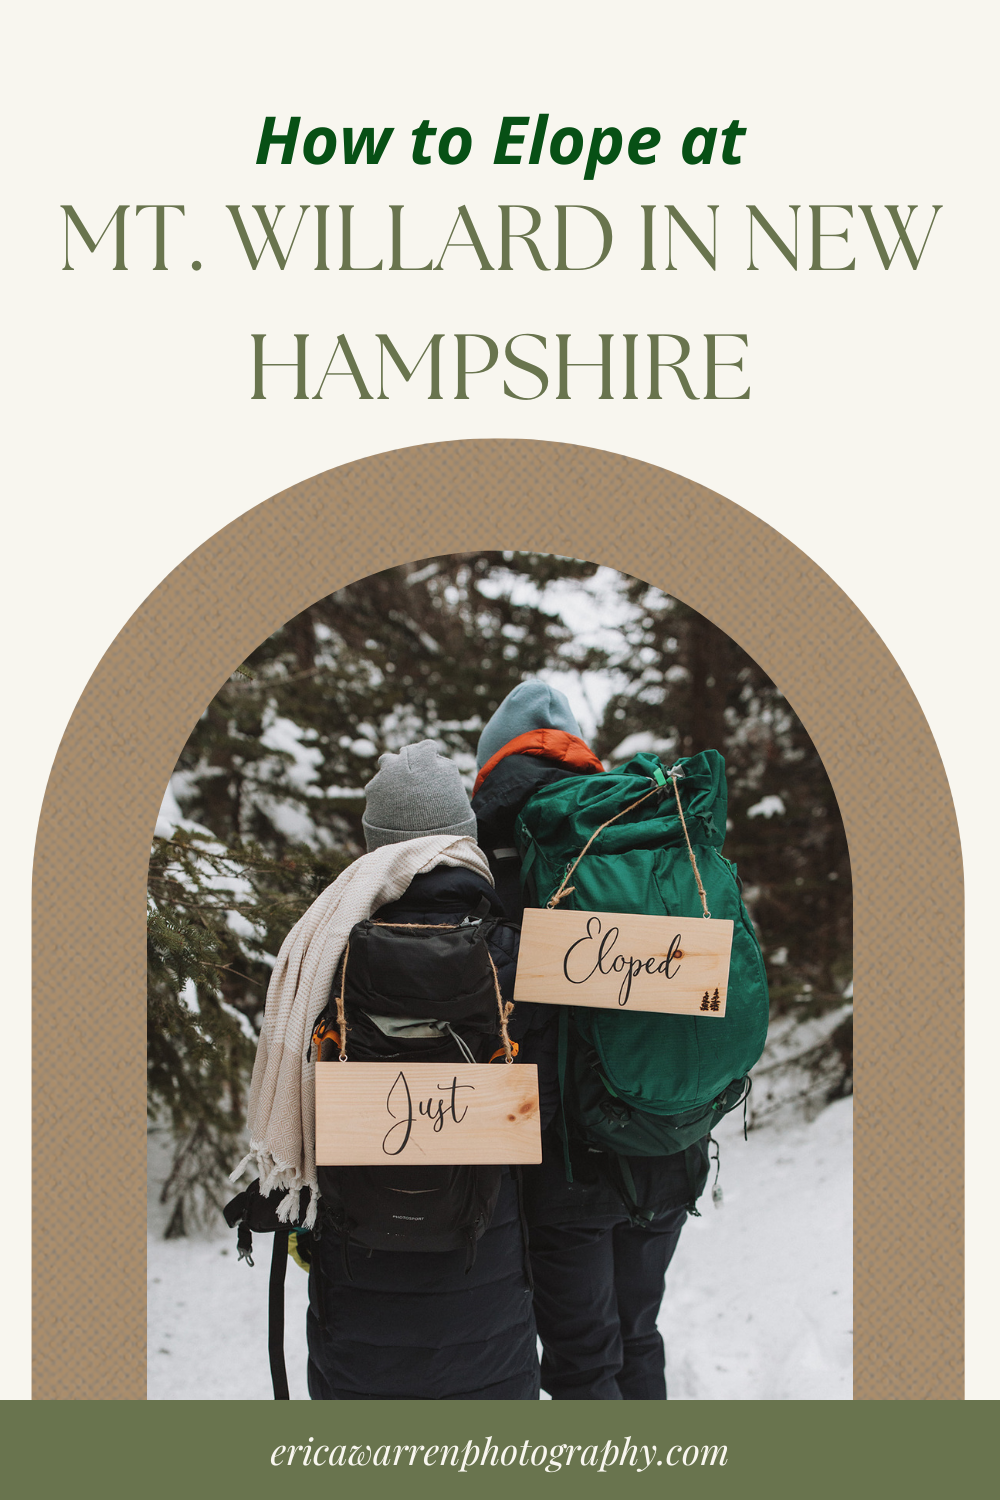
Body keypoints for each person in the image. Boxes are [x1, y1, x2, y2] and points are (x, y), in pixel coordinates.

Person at [239, 740, 540, 1400]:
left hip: (358, 1273)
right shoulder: (515, 953)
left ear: (375, 846)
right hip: (483, 1273)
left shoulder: (326, 950)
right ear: (463, 838)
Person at [471, 682, 710, 1400]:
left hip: (563, 1154)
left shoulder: (489, 840)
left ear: (490, 763)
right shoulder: (635, 831)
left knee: (581, 1359)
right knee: (639, 1333)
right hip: (665, 1136)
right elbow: (700, 975)